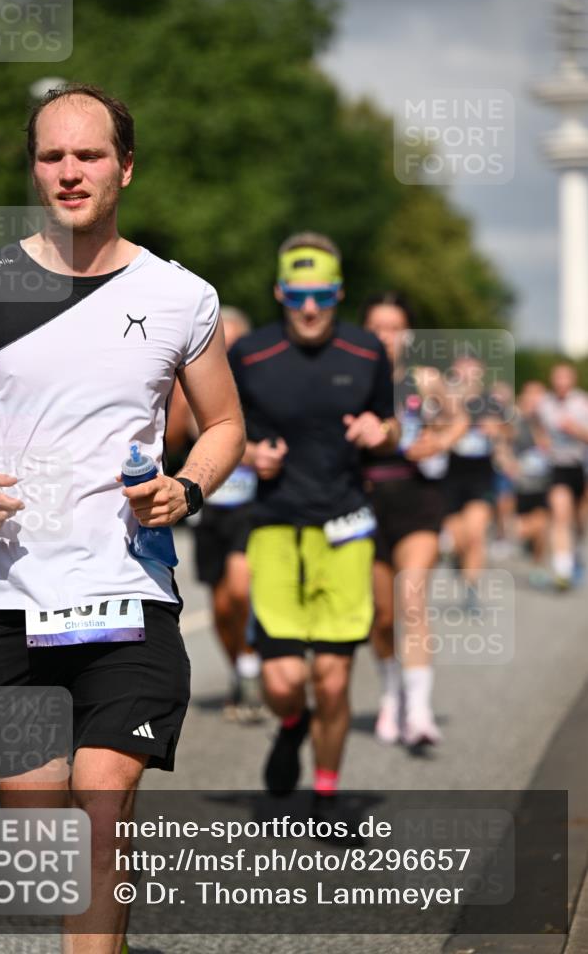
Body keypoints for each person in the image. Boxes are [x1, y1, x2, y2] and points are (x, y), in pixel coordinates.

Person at [0, 83, 245, 952]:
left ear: (126, 167)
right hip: (10, 599)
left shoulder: (180, 297)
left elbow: (223, 425)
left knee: (103, 807)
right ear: (34, 168)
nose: (70, 172)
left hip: (126, 594)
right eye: (52, 156)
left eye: (89, 154)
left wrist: (189, 487)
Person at [229, 231, 397, 812]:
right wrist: (251, 453)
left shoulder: (367, 352)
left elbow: (391, 426)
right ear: (279, 291)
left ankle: (326, 793)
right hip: (275, 526)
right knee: (280, 683)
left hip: (346, 526)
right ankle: (292, 722)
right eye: (298, 295)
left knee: (331, 676)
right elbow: (221, 434)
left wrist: (382, 433)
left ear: (339, 293)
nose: (309, 308)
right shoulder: (248, 355)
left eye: (322, 296)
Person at [361, 294, 467, 749]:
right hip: (364, 503)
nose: (386, 336)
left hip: (417, 500)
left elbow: (459, 419)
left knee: (412, 600)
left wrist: (439, 443)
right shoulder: (351, 380)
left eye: (395, 327)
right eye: (378, 327)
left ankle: (421, 712)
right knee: (381, 616)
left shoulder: (424, 380)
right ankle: (392, 695)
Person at [166, 306, 264, 722]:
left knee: (241, 590)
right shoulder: (196, 388)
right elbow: (171, 442)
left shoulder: (265, 390)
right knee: (222, 608)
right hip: (211, 510)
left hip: (254, 507)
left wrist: (257, 454)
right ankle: (241, 668)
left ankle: (253, 669)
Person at [442, 355, 509, 607]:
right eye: (462, 367)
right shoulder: (443, 400)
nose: (467, 373)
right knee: (458, 537)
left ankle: (470, 589)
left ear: (481, 373)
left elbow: (508, 432)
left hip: (481, 476)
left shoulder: (492, 402)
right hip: (450, 476)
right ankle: (458, 560)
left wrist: (499, 430)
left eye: (473, 368)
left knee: (476, 534)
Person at [494, 381, 551, 584]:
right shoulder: (514, 417)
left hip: (540, 482)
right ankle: (503, 538)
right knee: (519, 526)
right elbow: (501, 443)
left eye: (540, 396)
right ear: (523, 396)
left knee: (543, 525)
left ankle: (538, 567)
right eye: (532, 395)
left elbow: (547, 447)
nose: (536, 401)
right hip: (517, 482)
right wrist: (509, 464)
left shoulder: (542, 420)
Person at [537, 363, 588, 590]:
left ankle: (576, 553)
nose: (561, 383)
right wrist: (542, 440)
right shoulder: (545, 404)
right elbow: (536, 425)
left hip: (581, 466)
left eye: (565, 378)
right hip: (558, 467)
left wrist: (575, 430)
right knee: (560, 515)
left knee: (579, 520)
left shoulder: (582, 402)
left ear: (573, 379)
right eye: (557, 378)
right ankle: (562, 570)